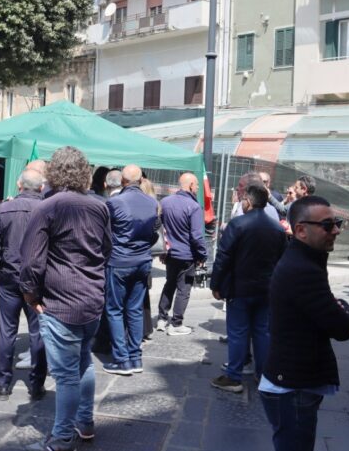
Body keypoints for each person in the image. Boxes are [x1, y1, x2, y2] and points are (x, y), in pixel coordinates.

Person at [251, 196, 349, 451]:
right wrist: (343, 305)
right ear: (300, 230)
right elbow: (343, 326)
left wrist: (335, 305)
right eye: (327, 225)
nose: (335, 230)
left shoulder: (305, 260)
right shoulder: (303, 270)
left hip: (293, 381)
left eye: (337, 223)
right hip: (292, 387)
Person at [21, 146, 112, 451]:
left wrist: (30, 294)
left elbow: (32, 261)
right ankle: (84, 423)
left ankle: (62, 438)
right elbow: (106, 250)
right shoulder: (99, 207)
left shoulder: (48, 207)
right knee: (83, 361)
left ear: (54, 174)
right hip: (91, 298)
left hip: (62, 302)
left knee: (66, 374)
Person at [210, 180, 286, 393]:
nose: (242, 202)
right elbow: (282, 260)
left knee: (237, 332)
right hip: (266, 289)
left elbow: (223, 257)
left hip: (239, 288)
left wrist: (215, 284)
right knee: (262, 332)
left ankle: (234, 376)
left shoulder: (238, 224)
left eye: (243, 199)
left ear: (248, 201)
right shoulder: (277, 228)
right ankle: (262, 375)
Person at [0, 169, 47, 399]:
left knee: (7, 331)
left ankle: (3, 383)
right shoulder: (47, 209)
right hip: (38, 279)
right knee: (38, 332)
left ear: (19, 185)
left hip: (9, 277)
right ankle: (37, 384)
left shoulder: (4, 209)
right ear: (41, 187)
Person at [103, 164, 159, 376]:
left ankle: (122, 360)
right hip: (142, 260)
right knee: (135, 309)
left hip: (119, 260)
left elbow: (105, 234)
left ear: (124, 181)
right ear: (140, 181)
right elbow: (155, 231)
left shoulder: (114, 202)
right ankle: (135, 357)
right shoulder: (151, 202)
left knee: (115, 310)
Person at [157, 173, 207, 336]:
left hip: (170, 253)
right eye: (197, 185)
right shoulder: (193, 207)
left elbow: (160, 228)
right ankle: (176, 323)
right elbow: (197, 236)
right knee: (183, 289)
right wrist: (202, 255)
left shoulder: (165, 202)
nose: (198, 188)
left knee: (169, 284)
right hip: (187, 255)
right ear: (191, 185)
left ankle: (162, 318)